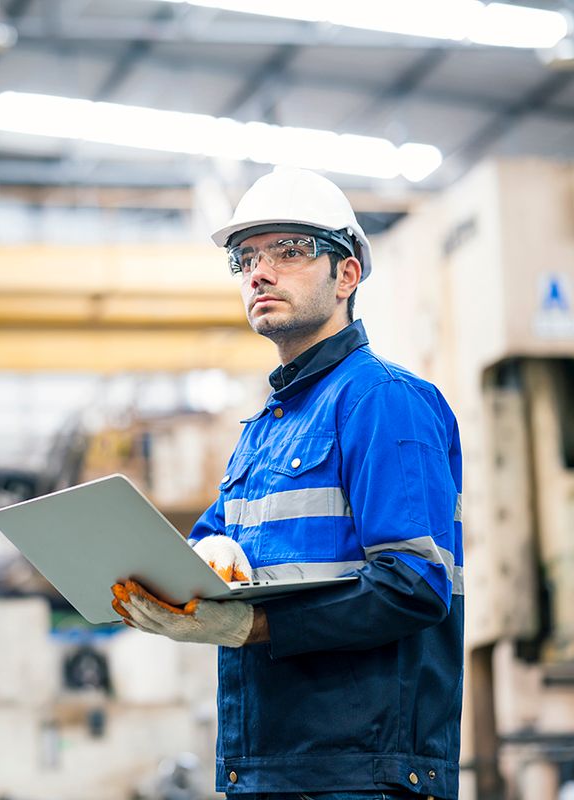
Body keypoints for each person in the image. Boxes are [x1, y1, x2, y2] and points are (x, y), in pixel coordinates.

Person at [111, 168, 464, 800]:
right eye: (245, 258)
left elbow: (414, 585)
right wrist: (184, 579)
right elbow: (212, 547)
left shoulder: (384, 402)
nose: (259, 272)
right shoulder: (265, 429)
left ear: (347, 274)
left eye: (290, 251)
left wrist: (252, 628)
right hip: (269, 768)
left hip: (363, 775)